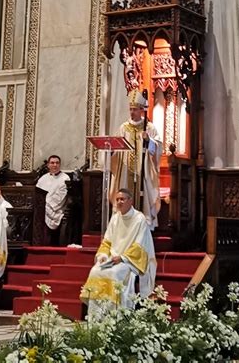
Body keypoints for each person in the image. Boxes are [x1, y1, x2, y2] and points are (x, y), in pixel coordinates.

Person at [80, 188, 156, 319]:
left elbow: (140, 246)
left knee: (114, 273)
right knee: (95, 270)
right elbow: (107, 242)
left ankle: (114, 314)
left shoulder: (139, 219)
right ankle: (95, 315)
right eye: (117, 199)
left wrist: (122, 258)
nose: (119, 202)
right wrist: (103, 256)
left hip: (129, 260)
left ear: (130, 201)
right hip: (113, 258)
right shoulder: (115, 218)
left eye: (122, 199)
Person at [110, 89, 162, 230]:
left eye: (135, 109)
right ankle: (123, 224)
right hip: (126, 169)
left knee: (143, 197)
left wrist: (149, 141)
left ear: (141, 110)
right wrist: (112, 152)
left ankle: (143, 225)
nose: (132, 112)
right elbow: (117, 147)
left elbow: (158, 148)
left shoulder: (149, 128)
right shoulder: (123, 128)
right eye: (130, 109)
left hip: (143, 169)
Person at [36, 155, 70, 245]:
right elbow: (37, 194)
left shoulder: (65, 178)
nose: (55, 165)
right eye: (52, 163)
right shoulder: (42, 179)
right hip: (43, 207)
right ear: (48, 165)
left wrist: (46, 204)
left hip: (56, 209)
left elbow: (60, 197)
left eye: (57, 163)